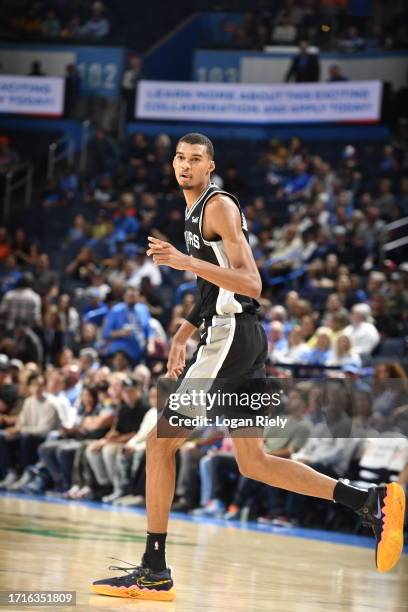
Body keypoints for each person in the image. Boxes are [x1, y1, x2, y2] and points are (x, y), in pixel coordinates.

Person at [92, 133, 405, 600]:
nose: (185, 165)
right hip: (241, 339)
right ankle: (369, 500)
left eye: (196, 159)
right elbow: (212, 287)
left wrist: (181, 262)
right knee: (254, 461)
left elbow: (251, 283)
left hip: (231, 338)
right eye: (180, 157)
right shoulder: (194, 209)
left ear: (210, 166)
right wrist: (182, 332)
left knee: (159, 444)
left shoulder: (218, 206)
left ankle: (154, 569)